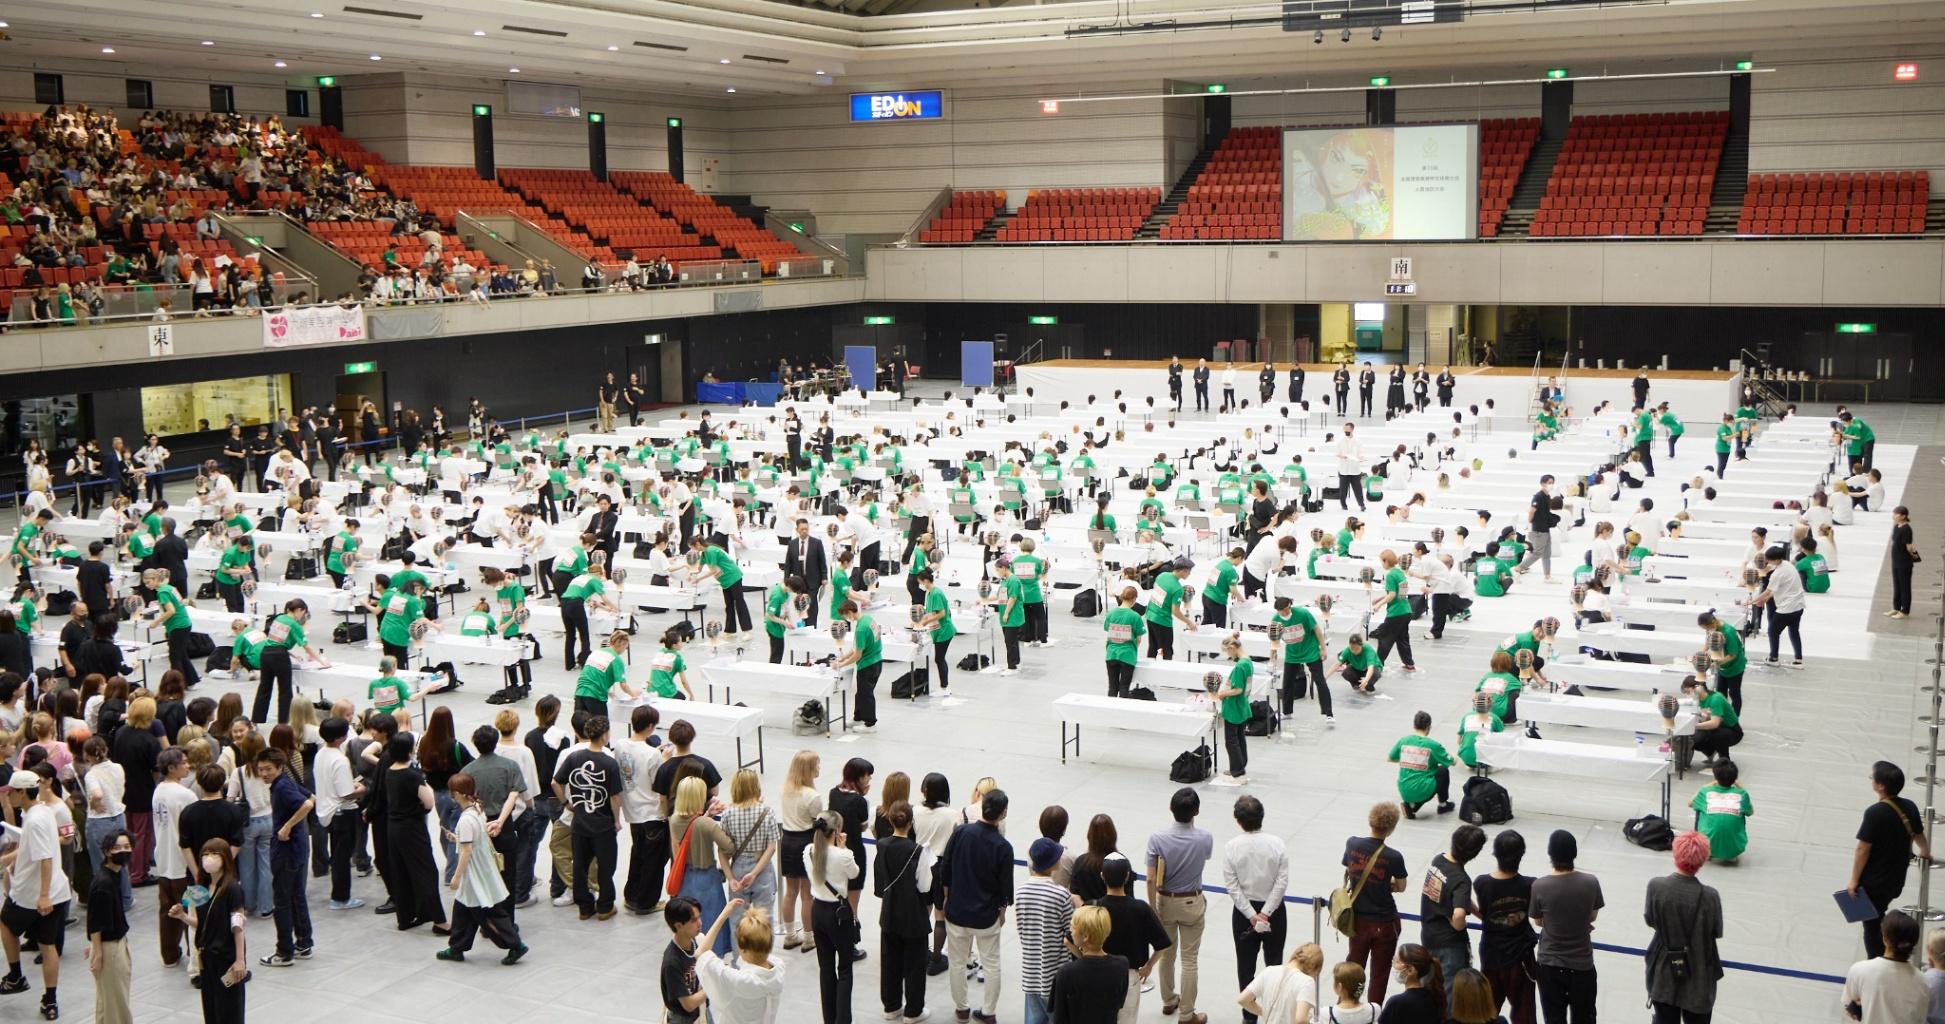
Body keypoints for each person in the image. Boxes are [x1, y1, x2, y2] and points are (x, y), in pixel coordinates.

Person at [1, 767, 71, 1020]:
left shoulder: (36, 819)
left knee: (6, 924)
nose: (8, 796)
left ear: (22, 792)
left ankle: (16, 975)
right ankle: (50, 1000)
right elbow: (33, 850)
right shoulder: (40, 811)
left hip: (34, 894)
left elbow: (45, 858)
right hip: (56, 892)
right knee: (48, 945)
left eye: (12, 792)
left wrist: (43, 895)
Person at [942, 786, 1013, 1024]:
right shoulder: (1003, 846)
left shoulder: (961, 833)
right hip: (986, 915)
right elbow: (1005, 887)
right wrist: (1002, 911)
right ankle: (989, 1011)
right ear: (1003, 813)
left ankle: (961, 1008)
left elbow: (946, 870)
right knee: (991, 964)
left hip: (957, 910)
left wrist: (946, 897)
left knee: (958, 962)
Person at [1144, 787, 1214, 1024]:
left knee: (1166, 953)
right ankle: (1187, 1014)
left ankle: (1168, 999)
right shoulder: (1205, 838)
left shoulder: (1157, 838)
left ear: (1171, 809)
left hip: (1165, 900)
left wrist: (1153, 906)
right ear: (1197, 811)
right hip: (1192, 900)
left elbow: (1151, 878)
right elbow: (1204, 858)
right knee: (1190, 959)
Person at [1850, 761, 1932, 960]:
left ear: (1880, 786)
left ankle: (1877, 962)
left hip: (1873, 881)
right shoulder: (1909, 806)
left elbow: (1863, 849)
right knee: (1878, 914)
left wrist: (1853, 880)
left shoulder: (1874, 813)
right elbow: (1918, 833)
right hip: (1895, 879)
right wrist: (1925, 851)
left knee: (1870, 925)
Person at [1644, 831, 1723, 1024]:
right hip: (1699, 977)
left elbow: (1651, 920)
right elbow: (1716, 931)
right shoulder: (1710, 897)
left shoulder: (1656, 886)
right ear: (1702, 859)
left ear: (1675, 854)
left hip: (1664, 972)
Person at [1222, 795, 1289, 1024]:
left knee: (1246, 966)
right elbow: (1281, 882)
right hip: (1275, 911)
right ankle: (1273, 1014)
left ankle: (1249, 1017)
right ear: (1262, 817)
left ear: (1238, 821)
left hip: (1243, 914)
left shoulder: (1231, 847)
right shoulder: (1277, 844)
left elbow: (1232, 886)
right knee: (1274, 965)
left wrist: (1251, 915)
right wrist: (1266, 912)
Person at [554, 714, 623, 921]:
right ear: (604, 736)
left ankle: (584, 907)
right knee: (606, 867)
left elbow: (555, 782)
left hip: (580, 822)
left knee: (580, 866)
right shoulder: (609, 763)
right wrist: (617, 820)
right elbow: (614, 796)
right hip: (602, 825)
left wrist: (567, 804)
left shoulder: (574, 758)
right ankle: (605, 906)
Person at [1530, 830, 1602, 1024]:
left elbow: (1538, 921)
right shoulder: (1591, 882)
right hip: (1582, 964)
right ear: (1574, 854)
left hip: (1550, 964)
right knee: (1584, 1017)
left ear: (1550, 855)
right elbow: (1593, 916)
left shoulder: (1540, 886)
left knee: (1554, 1018)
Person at [173, 839, 248, 1023]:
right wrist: (182, 916)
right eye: (205, 854)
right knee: (211, 1008)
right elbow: (202, 923)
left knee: (229, 1010)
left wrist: (240, 960)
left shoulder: (232, 888)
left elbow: (237, 927)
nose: (209, 858)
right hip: (206, 958)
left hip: (226, 958)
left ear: (225, 858)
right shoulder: (200, 889)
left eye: (215, 854)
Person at [1342, 802, 1409, 1003]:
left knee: (1354, 967)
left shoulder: (1352, 844)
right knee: (1379, 974)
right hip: (1385, 922)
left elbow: (1349, 869)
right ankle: (1373, 1011)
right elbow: (1401, 886)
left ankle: (1346, 1005)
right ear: (1391, 828)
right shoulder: (1394, 857)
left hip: (1358, 920)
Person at [875, 798, 933, 1023]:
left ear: (890, 821)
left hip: (889, 911)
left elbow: (881, 878)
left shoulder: (882, 845)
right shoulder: (918, 851)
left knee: (890, 960)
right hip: (913, 913)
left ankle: (891, 1006)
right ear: (910, 823)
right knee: (915, 964)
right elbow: (924, 885)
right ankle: (913, 1010)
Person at [384, 732, 449, 932]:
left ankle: (406, 916)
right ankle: (439, 920)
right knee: (426, 871)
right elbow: (429, 803)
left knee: (401, 871)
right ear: (410, 750)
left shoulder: (389, 771)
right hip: (412, 827)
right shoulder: (412, 775)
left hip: (394, 827)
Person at [1472, 829, 1537, 1024]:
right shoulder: (1530, 885)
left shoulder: (1482, 883)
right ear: (1521, 855)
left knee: (1486, 1013)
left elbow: (1483, 912)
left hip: (1492, 954)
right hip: (1521, 958)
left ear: (1496, 854)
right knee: (1524, 1013)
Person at [1095, 854, 1169, 1024]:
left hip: (1098, 973)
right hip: (1128, 977)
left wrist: (1085, 958)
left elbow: (1069, 940)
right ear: (1127, 876)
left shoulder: (1094, 907)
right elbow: (1163, 944)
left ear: (1102, 876)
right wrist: (1149, 965)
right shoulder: (1141, 908)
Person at [258, 748, 315, 966]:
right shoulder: (285, 782)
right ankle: (304, 942)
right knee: (296, 895)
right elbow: (311, 796)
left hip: (287, 850)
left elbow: (307, 804)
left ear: (279, 767)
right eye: (261, 769)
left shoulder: (281, 787)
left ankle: (284, 952)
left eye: (268, 769)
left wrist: (287, 827)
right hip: (298, 848)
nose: (264, 773)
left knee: (282, 900)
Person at [807, 809, 860, 1024]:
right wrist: (844, 847)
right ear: (836, 831)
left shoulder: (809, 851)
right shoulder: (843, 855)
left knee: (826, 968)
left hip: (817, 910)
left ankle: (829, 1019)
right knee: (845, 968)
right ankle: (843, 1019)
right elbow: (854, 873)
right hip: (838, 914)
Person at [1018, 836, 1076, 1024]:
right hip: (1056, 973)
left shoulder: (1021, 892)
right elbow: (1071, 932)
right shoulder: (1061, 895)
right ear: (1052, 863)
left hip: (1030, 971)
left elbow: (1022, 930)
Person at [1420, 824, 1485, 984]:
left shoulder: (1438, 861)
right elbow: (1459, 915)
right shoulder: (1462, 880)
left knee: (1431, 987)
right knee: (1451, 993)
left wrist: (1479, 914)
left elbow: (1460, 899)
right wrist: (1459, 925)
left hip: (1429, 935)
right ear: (1474, 854)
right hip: (1449, 945)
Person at [1844, 910, 1928, 1024]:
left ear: (1884, 939)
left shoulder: (1860, 970)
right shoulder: (1922, 981)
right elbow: (1920, 1018)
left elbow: (1851, 1008)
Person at [87, 828, 134, 1024]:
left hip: (111, 944)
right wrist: (97, 951)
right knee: (117, 1006)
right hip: (110, 949)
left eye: (127, 846)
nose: (123, 851)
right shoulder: (104, 884)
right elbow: (95, 921)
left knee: (106, 1004)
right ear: (107, 852)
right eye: (116, 848)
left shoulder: (112, 875)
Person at [1052, 905, 1130, 1024]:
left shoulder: (1066, 973)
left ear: (1085, 936)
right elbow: (1119, 1004)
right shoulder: (1122, 965)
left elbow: (1060, 1018)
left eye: (1073, 927)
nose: (1070, 931)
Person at [1389, 712, 1455, 818]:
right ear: (1429, 727)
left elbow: (1390, 758)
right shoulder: (1432, 745)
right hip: (1421, 789)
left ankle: (1411, 805)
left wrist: (1410, 760)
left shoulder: (1404, 741)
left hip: (1403, 789)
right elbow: (1452, 762)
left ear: (1414, 726)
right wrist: (1454, 755)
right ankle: (1443, 805)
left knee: (1424, 780)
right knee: (1442, 771)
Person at [1238, 941, 1320, 1024]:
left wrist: (1264, 1012)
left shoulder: (1269, 971)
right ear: (1314, 967)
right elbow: (1301, 1019)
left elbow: (1242, 999)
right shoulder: (1306, 982)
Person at [661, 897, 711, 1024]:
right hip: (683, 1019)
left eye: (699, 917)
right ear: (678, 925)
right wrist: (713, 986)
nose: (700, 923)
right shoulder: (672, 962)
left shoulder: (695, 940)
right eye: (694, 920)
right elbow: (688, 1004)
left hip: (701, 1010)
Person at [1215, 635, 1254, 783]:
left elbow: (1238, 689)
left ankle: (1237, 772)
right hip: (1242, 705)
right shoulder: (1248, 661)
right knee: (1239, 737)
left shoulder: (1239, 667)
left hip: (1234, 707)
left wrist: (1223, 693)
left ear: (1232, 648)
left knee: (1231, 740)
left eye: (1227, 652)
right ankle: (1238, 765)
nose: (1228, 655)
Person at [1681, 675, 1742, 765]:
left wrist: (1693, 726)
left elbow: (1715, 723)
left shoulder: (1715, 698)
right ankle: (1710, 752)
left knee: (1717, 734)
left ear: (1697, 687)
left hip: (1732, 731)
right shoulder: (1699, 700)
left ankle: (1725, 760)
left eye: (1688, 692)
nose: (1688, 695)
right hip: (1717, 728)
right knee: (1695, 739)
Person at [1380, 944, 1446, 1024]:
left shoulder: (1396, 1003)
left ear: (1410, 970)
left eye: (1397, 961)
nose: (1393, 965)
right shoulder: (1434, 996)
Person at [1889, 506, 1917, 619]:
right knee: (1897, 585)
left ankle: (1905, 610)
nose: (1894, 516)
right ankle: (1896, 608)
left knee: (1904, 587)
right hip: (1896, 561)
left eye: (1896, 514)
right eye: (1894, 513)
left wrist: (1913, 554)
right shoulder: (1897, 526)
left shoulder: (1907, 529)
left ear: (1903, 516)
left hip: (1904, 563)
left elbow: (1909, 546)